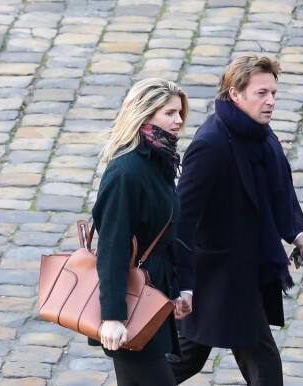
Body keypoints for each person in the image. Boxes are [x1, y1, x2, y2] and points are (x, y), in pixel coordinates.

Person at [169, 54, 303, 385]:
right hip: (215, 279)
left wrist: (296, 234)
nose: (270, 101)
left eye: (274, 93)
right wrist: (183, 283)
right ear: (235, 94)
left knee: (188, 360)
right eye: (261, 93)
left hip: (243, 274)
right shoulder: (212, 144)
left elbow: (275, 190)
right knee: (256, 367)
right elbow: (182, 217)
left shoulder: (258, 134)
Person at [91, 78, 192, 386]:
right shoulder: (127, 172)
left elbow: (166, 234)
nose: (179, 121)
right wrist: (112, 316)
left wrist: (180, 290)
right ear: (145, 115)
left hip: (152, 296)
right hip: (134, 303)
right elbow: (113, 245)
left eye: (179, 113)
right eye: (169, 113)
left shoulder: (160, 162)